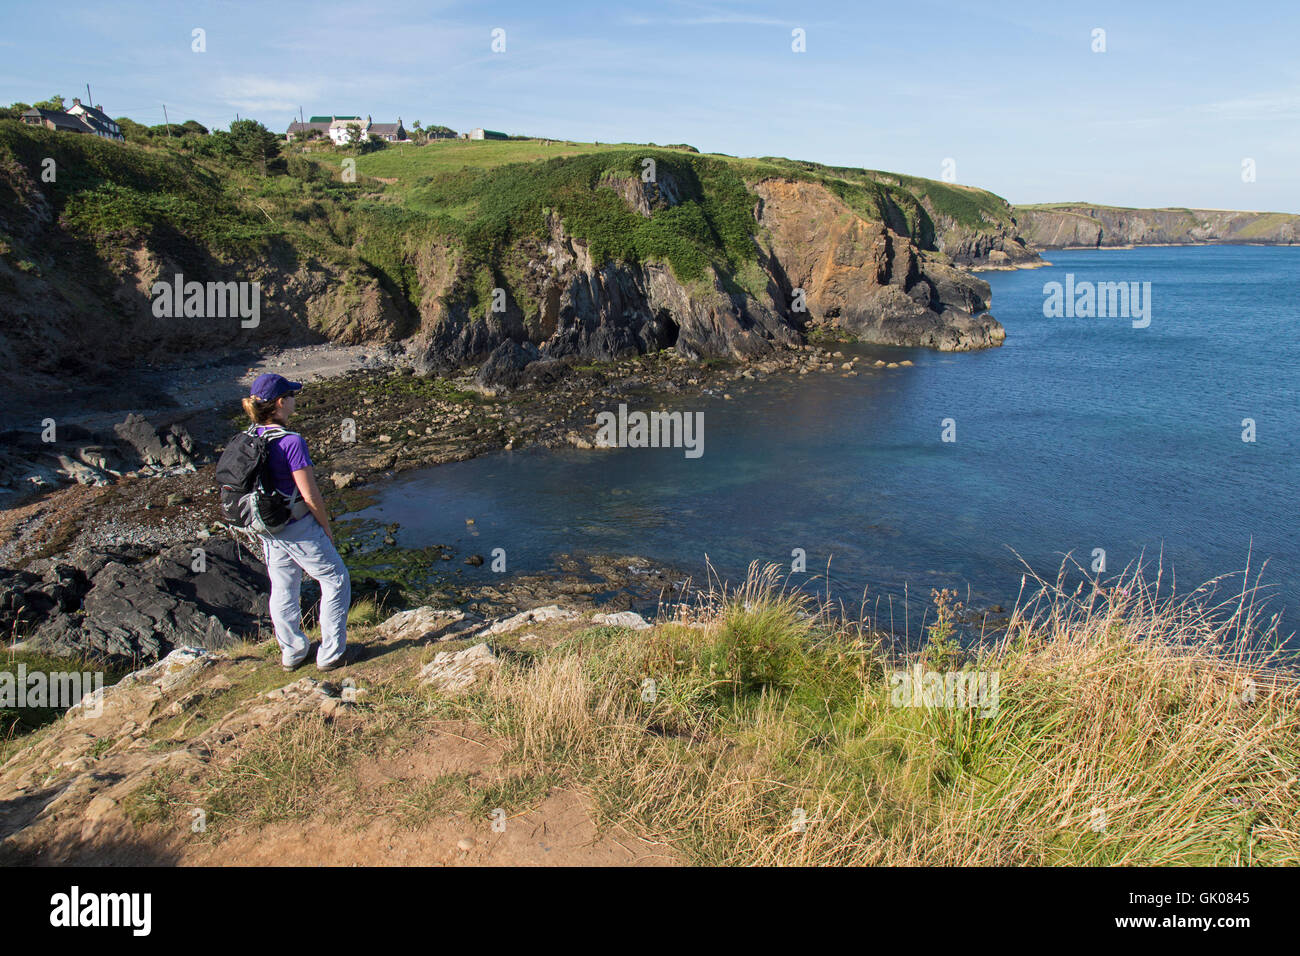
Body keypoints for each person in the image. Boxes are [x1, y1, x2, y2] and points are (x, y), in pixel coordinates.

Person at [242, 373, 359, 672]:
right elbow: (310, 495)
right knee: (335, 579)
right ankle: (332, 654)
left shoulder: (250, 438)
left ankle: (292, 652)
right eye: (292, 396)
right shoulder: (291, 442)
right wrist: (326, 528)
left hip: (268, 527)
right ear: (281, 403)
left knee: (283, 587)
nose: (296, 400)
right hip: (296, 525)